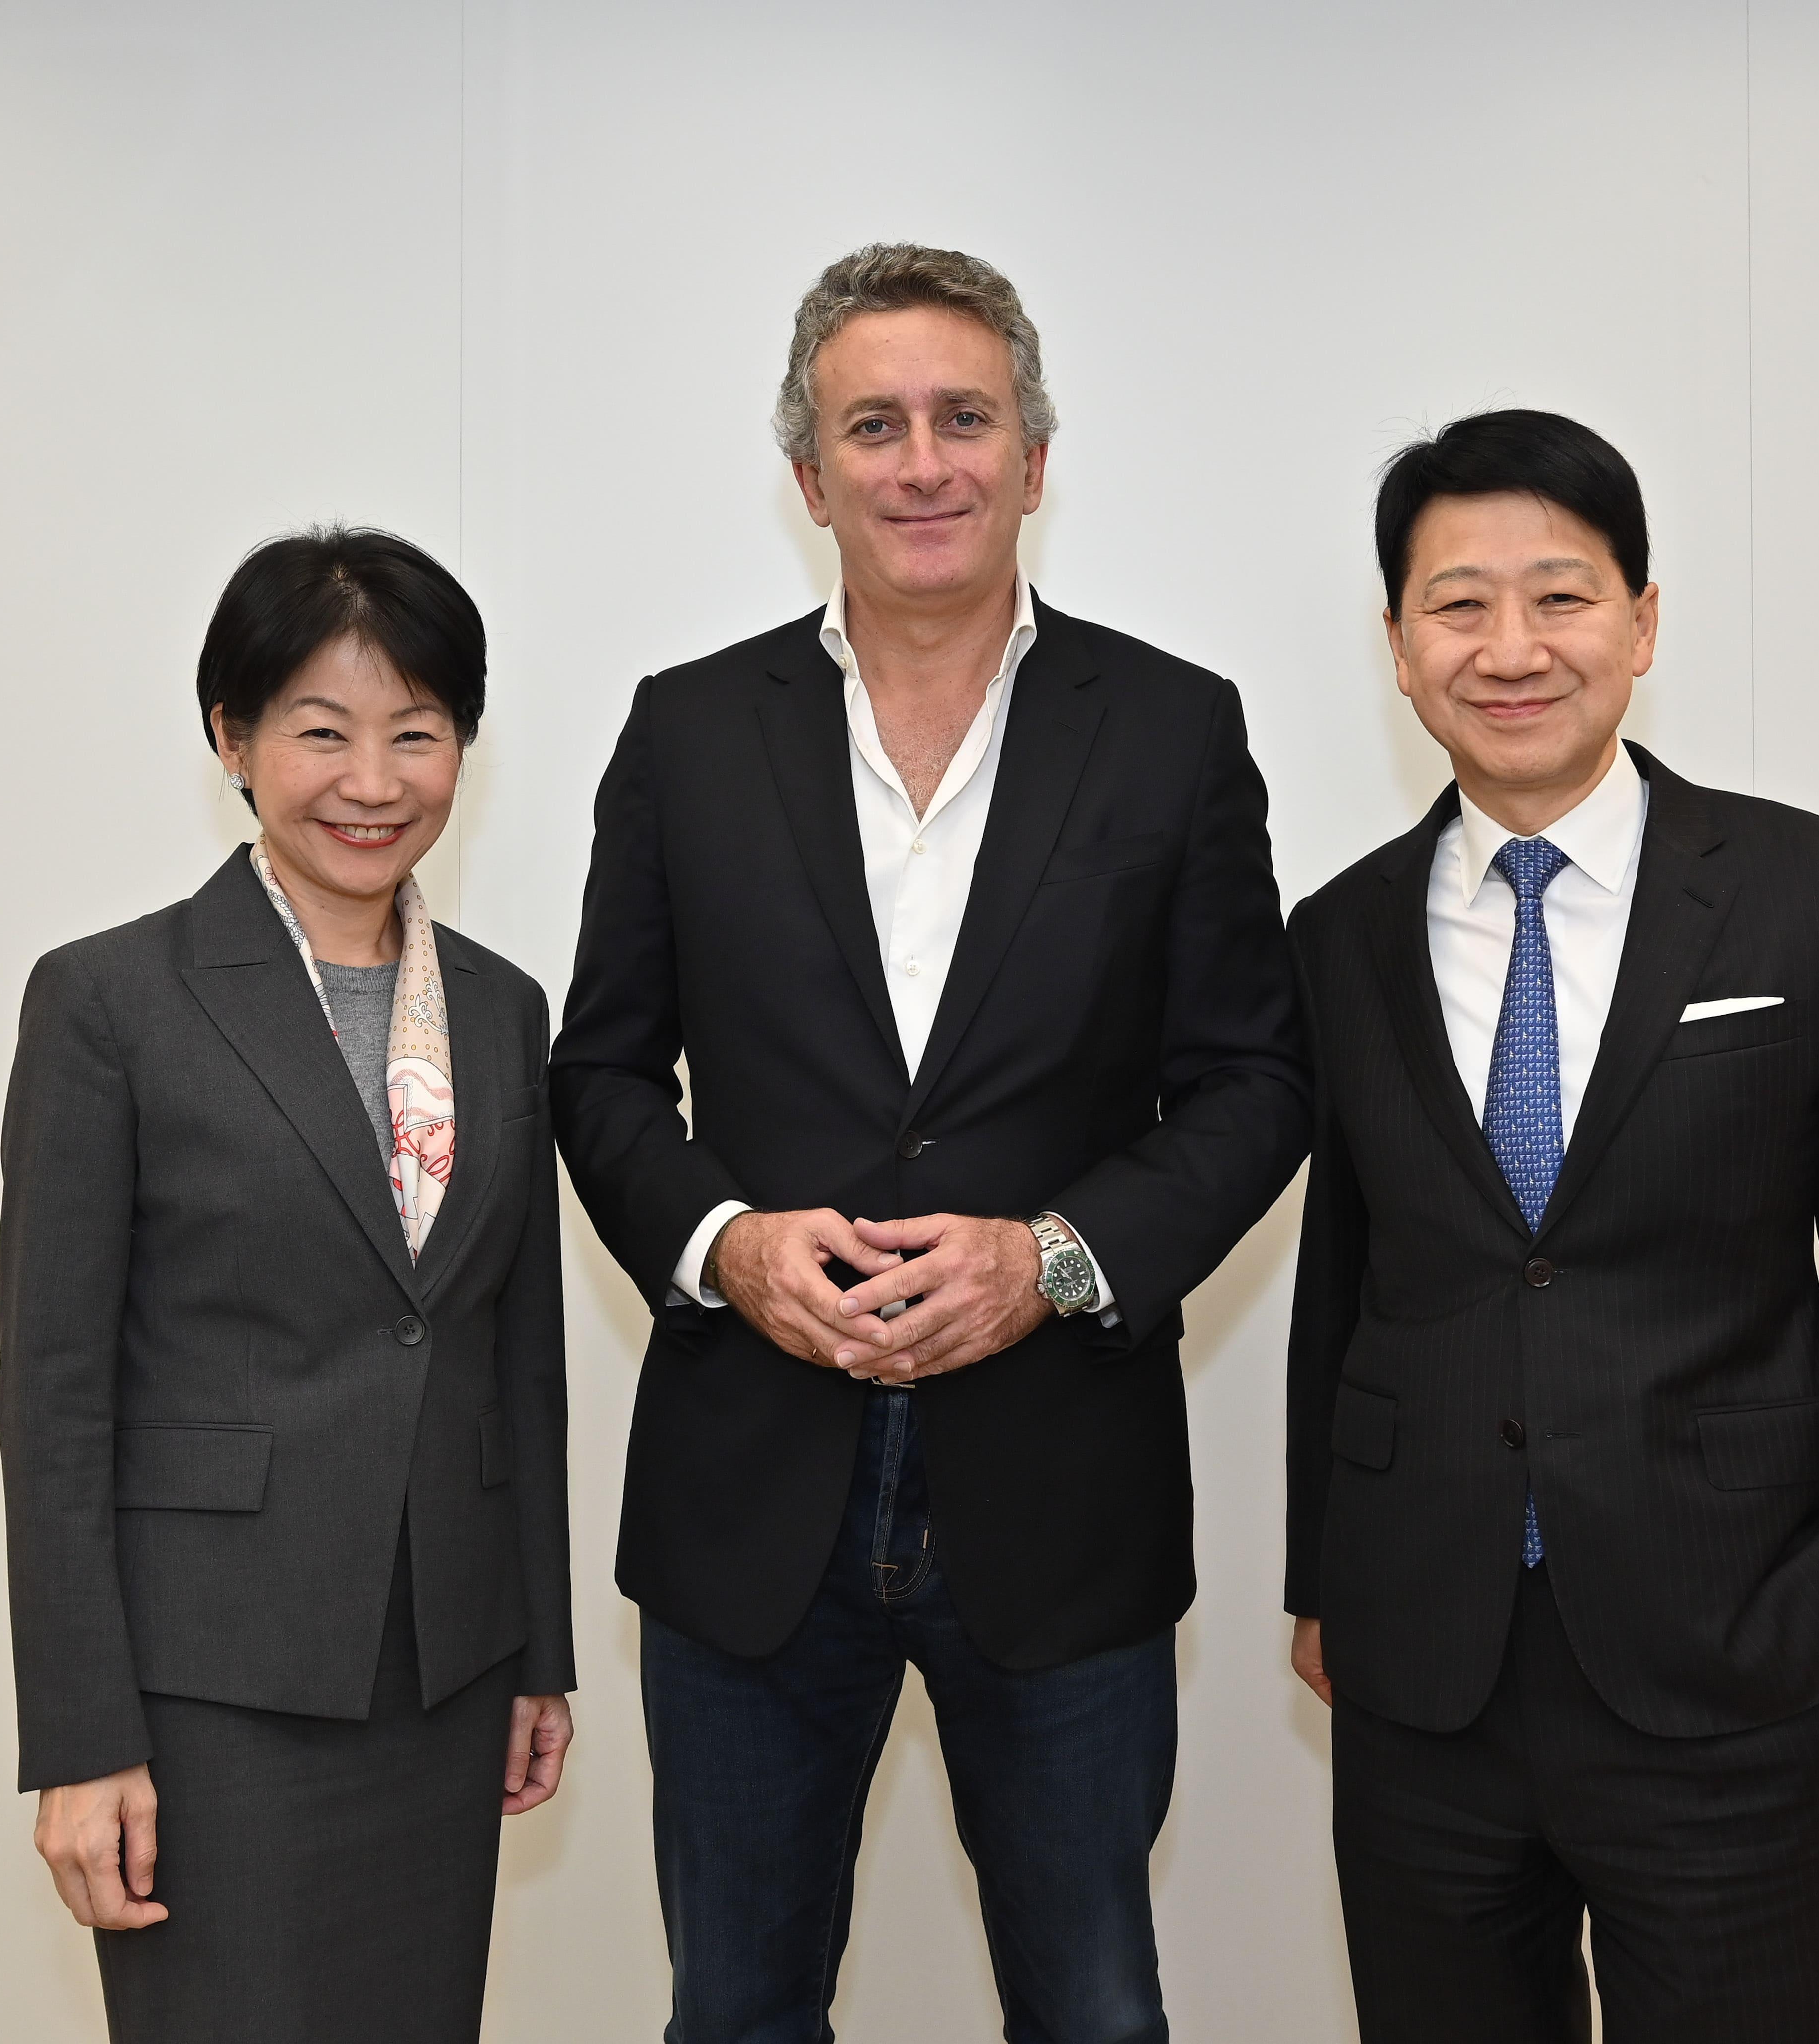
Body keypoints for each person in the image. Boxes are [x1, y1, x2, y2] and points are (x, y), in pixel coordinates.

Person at [550, 244, 1310, 2044]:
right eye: (872, 427)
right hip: (751, 1495)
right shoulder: (685, 731)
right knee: (736, 2013)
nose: (922, 463)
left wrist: (1053, 1261)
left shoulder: (1174, 730)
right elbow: (599, 1076)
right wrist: (727, 1246)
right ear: (808, 478)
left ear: (1033, 460)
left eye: (964, 419)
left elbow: (1256, 1083)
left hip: (1061, 1497)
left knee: (1094, 2014)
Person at [1283, 410, 1819, 2042]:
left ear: (1643, 622)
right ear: (1398, 647)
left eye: (1561, 596)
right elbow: (1347, 1285)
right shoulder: (1338, 934)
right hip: (1426, 1676)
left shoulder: (1813, 893)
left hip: (1740, 1658)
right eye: (1459, 605)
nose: (1511, 648)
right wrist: (1324, 1577)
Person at [0, 527, 575, 2044]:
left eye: (416, 733)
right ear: (233, 738)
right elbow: (53, 1397)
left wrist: (540, 1652)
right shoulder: (110, 1000)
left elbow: (516, 1357)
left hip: (448, 1673)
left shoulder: (505, 1012)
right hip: (209, 1690)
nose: (372, 781)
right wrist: (80, 1738)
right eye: (321, 732)